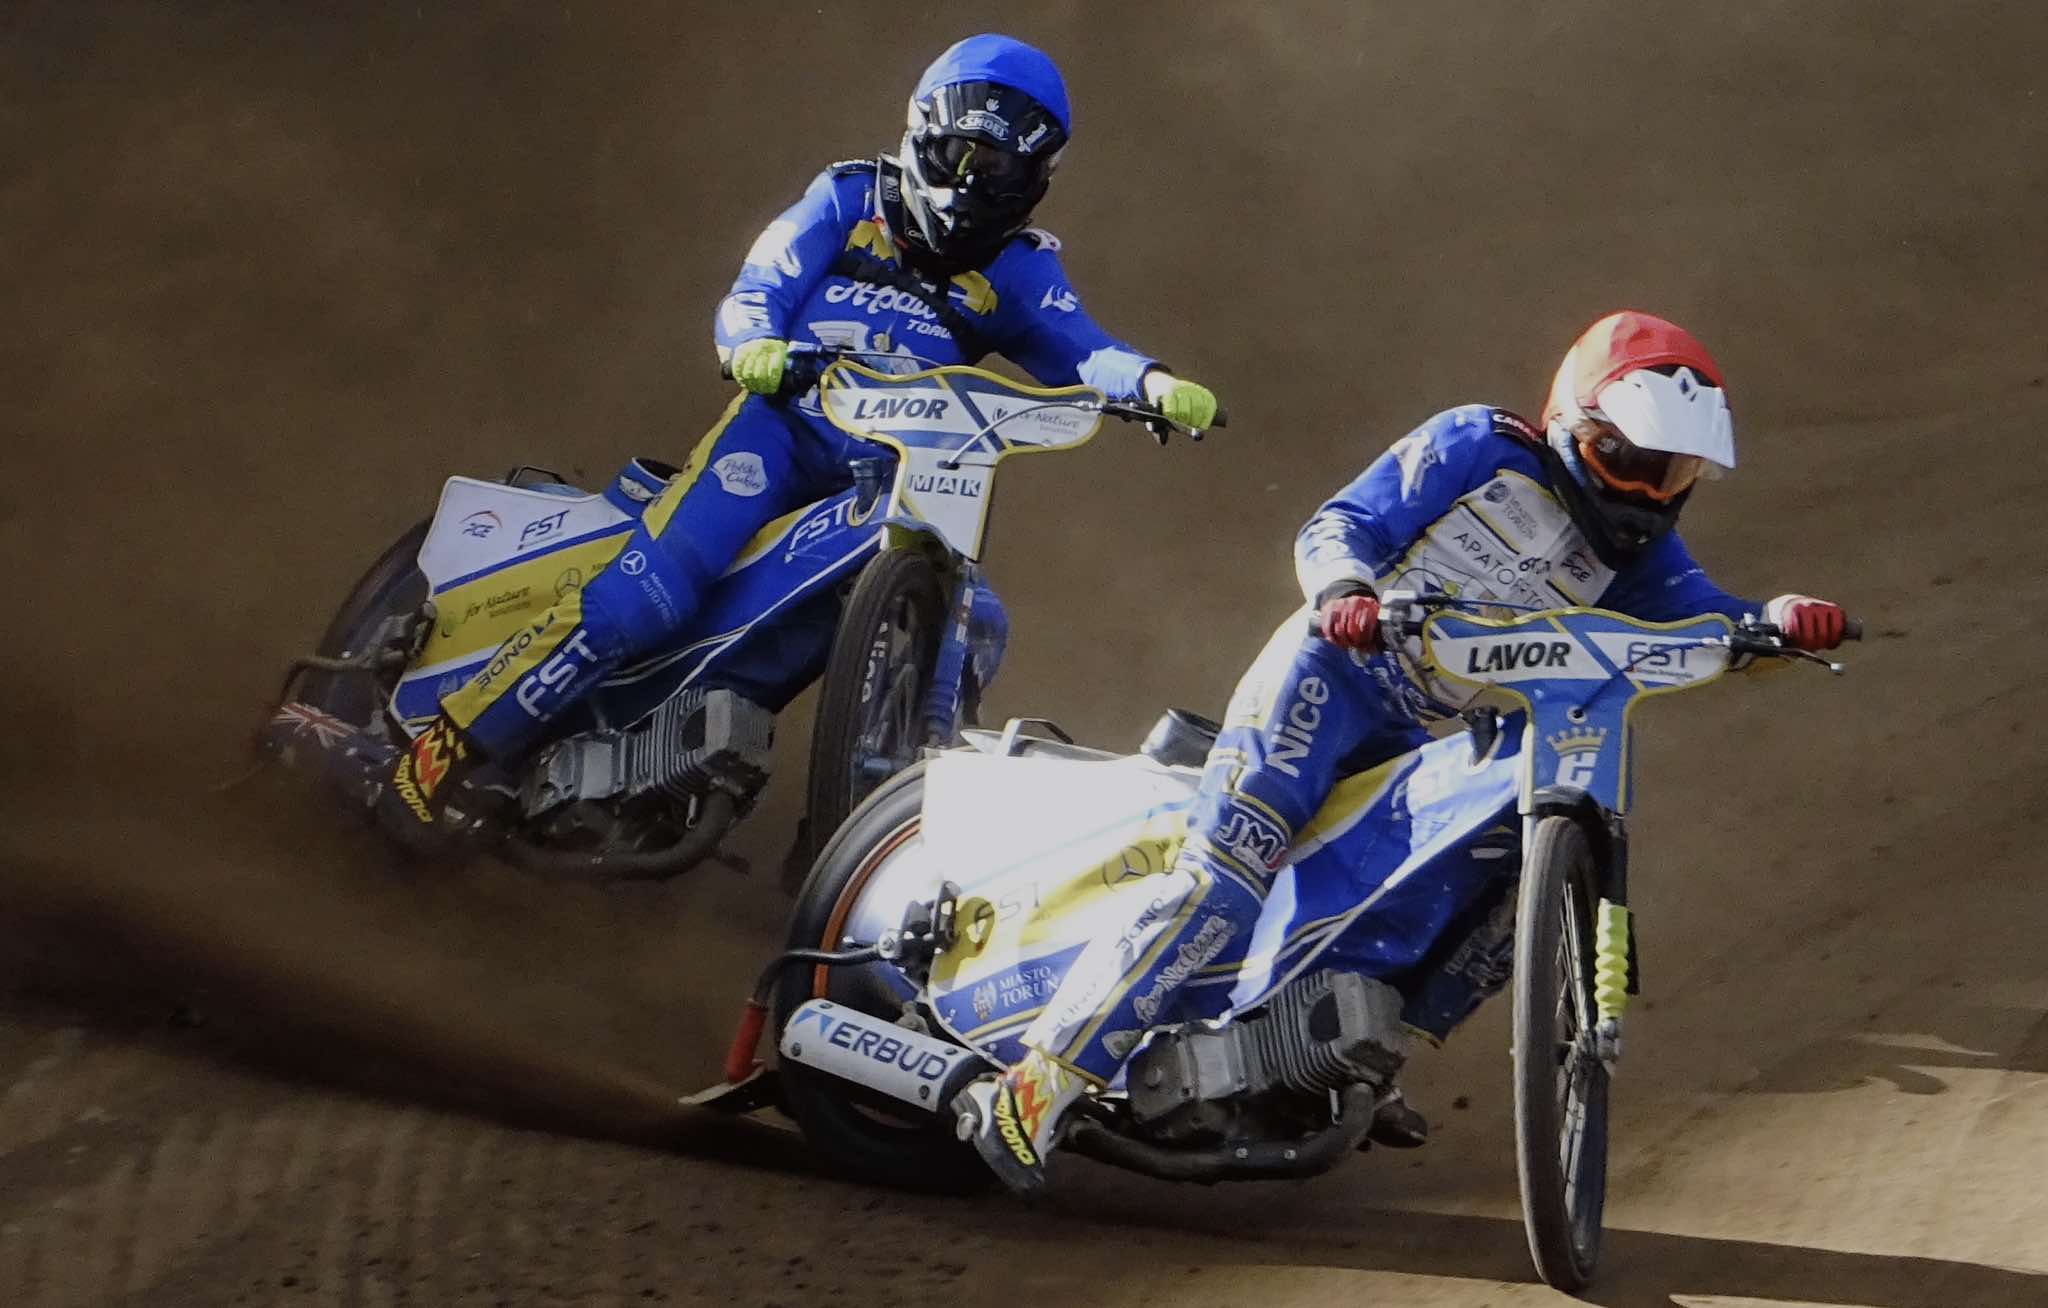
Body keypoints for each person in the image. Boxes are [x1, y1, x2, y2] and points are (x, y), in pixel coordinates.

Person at [953, 310, 1851, 1193]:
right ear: (1577, 427)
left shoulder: (1639, 560)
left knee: (1484, 872)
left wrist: (1780, 620)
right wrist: (1344, 590)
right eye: (1635, 463)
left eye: (1675, 473)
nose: (1649, 493)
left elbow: (1711, 616)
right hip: (1326, 677)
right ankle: (1037, 1083)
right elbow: (1341, 523)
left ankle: (1363, 1052)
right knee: (1225, 878)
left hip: (1412, 730)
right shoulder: (1477, 446)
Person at [379, 34, 1219, 838]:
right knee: (650, 595)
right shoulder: (848, 196)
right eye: (962, 155)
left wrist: (1151, 384)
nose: (971, 185)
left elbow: (1085, 348)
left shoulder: (1020, 267)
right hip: (778, 431)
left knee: (978, 618)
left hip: (894, 476)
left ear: (1035, 179)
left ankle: (857, 837)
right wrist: (752, 345)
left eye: (998, 169)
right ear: (922, 132)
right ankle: (446, 747)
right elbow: (760, 285)